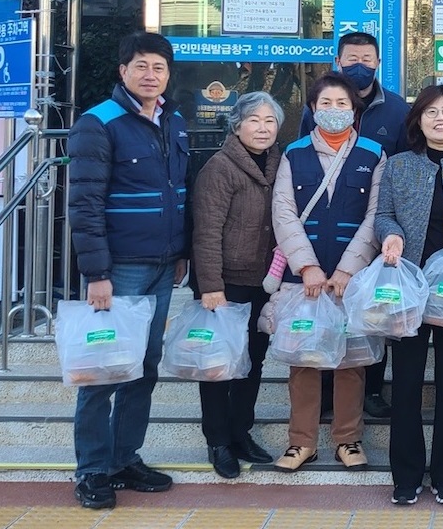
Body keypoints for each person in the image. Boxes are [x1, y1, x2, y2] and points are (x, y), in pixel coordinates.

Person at [68, 31, 189, 509]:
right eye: (141, 66)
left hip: (162, 267)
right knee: (103, 370)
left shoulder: (173, 121)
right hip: (118, 270)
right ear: (123, 71)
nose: (150, 75)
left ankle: (124, 458)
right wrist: (97, 273)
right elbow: (84, 204)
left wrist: (180, 254)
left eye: (159, 67)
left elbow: (177, 193)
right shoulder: (98, 123)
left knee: (143, 367)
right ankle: (92, 469)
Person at [375, 85, 443, 506]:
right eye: (431, 112)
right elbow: (384, 214)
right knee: (404, 384)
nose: (440, 118)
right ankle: (405, 476)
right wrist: (392, 236)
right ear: (418, 122)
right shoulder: (399, 166)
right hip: (408, 290)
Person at [271, 73, 385, 472]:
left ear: (354, 110)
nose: (334, 111)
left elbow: (376, 216)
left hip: (351, 278)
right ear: (312, 108)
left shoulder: (373, 153)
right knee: (303, 359)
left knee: (350, 362)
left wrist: (347, 269)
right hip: (304, 277)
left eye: (342, 104)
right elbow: (283, 212)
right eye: (326, 104)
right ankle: (300, 441)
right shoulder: (294, 153)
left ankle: (348, 439)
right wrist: (308, 266)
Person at [301, 33, 402, 421]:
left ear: (378, 62)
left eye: (367, 57)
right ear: (338, 60)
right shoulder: (321, 104)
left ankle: (372, 389)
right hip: (324, 224)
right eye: (351, 57)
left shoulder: (395, 108)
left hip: (374, 223)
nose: (359, 63)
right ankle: (326, 389)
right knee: (326, 311)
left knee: (370, 315)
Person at [191, 91, 283, 479]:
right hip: (224, 283)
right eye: (254, 120)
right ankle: (217, 440)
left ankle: (241, 432)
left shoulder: (282, 163)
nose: (262, 128)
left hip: (263, 281)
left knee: (252, 363)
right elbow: (207, 230)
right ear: (237, 125)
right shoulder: (220, 166)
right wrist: (210, 285)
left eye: (270, 121)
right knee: (218, 367)